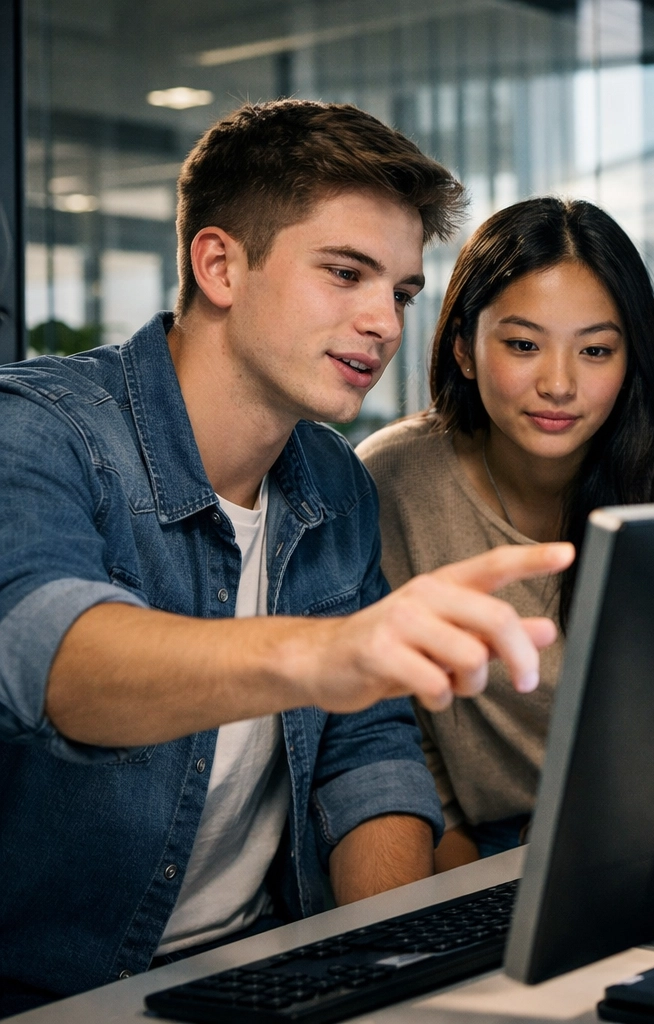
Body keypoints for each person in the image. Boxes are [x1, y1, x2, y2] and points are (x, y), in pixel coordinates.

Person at [0, 101, 571, 1014]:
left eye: (400, 292)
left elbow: (367, 752)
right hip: (57, 995)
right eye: (346, 274)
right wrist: (322, 655)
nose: (384, 322)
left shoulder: (333, 481)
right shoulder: (39, 431)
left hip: (268, 971)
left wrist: (398, 977)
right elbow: (56, 661)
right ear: (220, 264)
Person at [358, 198, 654, 872]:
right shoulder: (390, 481)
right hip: (488, 850)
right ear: (462, 346)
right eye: (522, 345)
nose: (560, 384)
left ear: (631, 358)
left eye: (596, 350)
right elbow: (390, 733)